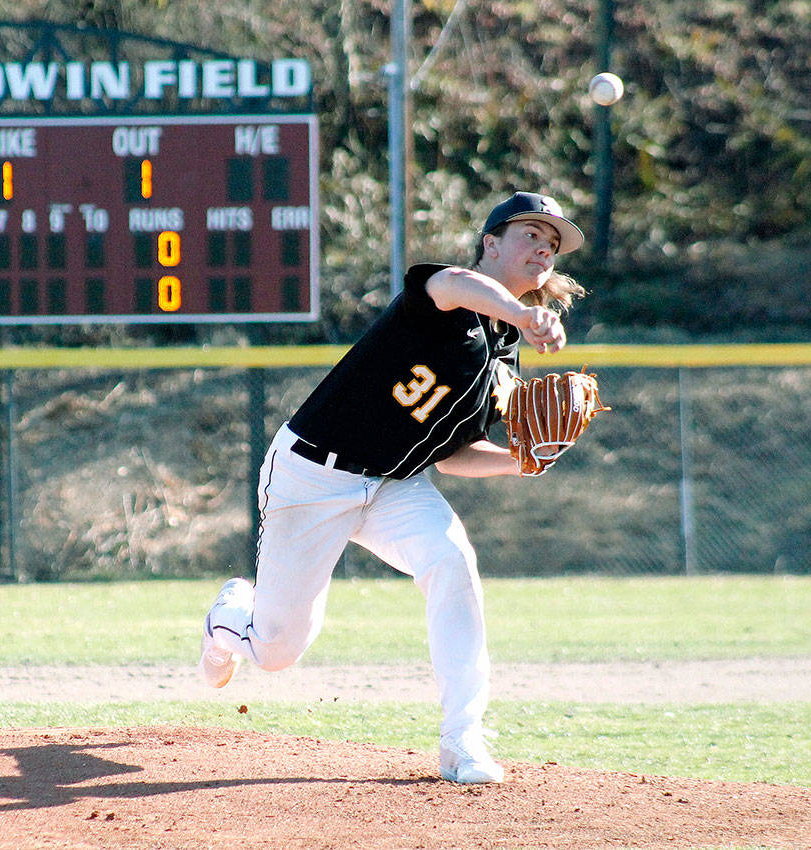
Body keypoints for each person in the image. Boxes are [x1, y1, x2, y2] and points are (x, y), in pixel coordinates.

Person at [198, 191, 588, 784]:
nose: (543, 247)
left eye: (552, 244)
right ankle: (231, 615)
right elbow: (460, 284)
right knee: (277, 652)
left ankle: (462, 741)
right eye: (531, 233)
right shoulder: (444, 293)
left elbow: (453, 455)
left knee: (452, 560)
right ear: (491, 244)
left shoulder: (501, 352)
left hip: (393, 487)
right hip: (313, 476)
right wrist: (525, 314)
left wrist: (518, 460)